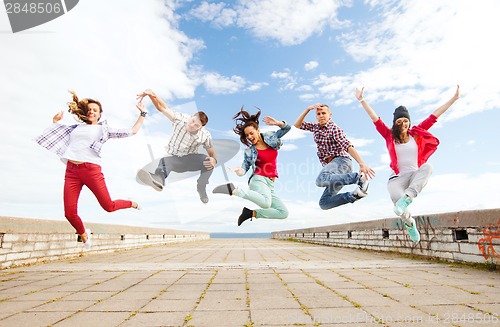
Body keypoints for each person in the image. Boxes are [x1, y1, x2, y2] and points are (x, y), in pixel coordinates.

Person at [35, 91, 146, 251]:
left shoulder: (104, 130)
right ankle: (83, 233)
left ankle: (131, 203)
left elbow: (132, 131)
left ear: (100, 114)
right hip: (72, 171)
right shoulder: (74, 128)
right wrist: (55, 121)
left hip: (91, 170)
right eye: (89, 109)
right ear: (84, 113)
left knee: (108, 206)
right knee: (69, 213)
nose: (91, 111)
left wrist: (142, 113)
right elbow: (58, 134)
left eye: (95, 110)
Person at [355, 85, 460, 242]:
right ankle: (410, 222)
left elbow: (435, 115)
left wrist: (454, 98)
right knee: (398, 207)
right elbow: (374, 118)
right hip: (396, 179)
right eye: (399, 121)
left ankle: (409, 196)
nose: (403, 124)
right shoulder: (388, 135)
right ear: (395, 123)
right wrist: (362, 99)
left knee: (428, 167)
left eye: (406, 121)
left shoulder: (416, 132)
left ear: (409, 122)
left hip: (414, 175)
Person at [136, 89, 217, 203]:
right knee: (164, 162)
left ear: (200, 127)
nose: (192, 125)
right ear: (191, 116)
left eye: (196, 125)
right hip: (173, 159)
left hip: (189, 160)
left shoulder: (205, 135)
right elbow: (162, 108)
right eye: (192, 120)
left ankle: (201, 186)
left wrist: (214, 160)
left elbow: (211, 152)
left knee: (208, 160)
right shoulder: (180, 119)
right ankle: (158, 179)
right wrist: (152, 95)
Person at [212, 108, 290, 226]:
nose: (249, 136)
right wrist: (239, 171)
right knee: (265, 204)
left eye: (251, 133)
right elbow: (244, 169)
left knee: (283, 212)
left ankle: (250, 214)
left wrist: (277, 123)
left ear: (258, 130)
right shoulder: (249, 151)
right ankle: (233, 190)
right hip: (258, 179)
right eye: (247, 135)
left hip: (270, 183)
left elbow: (287, 128)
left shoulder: (271, 137)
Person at [294, 104, 375, 210]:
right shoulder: (316, 127)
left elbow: (347, 146)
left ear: (330, 115)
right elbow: (297, 125)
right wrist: (307, 109)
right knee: (324, 203)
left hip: (342, 162)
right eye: (318, 114)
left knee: (320, 180)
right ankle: (354, 195)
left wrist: (361, 162)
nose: (321, 116)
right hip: (335, 172)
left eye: (324, 113)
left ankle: (357, 178)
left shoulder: (334, 128)